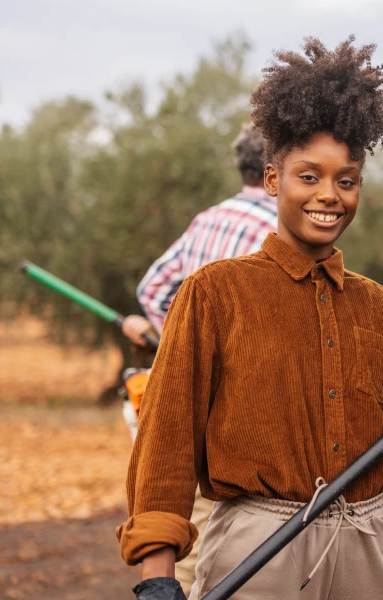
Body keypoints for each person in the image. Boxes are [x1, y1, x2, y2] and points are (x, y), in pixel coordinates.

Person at [118, 36, 383, 600]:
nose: (329, 196)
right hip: (257, 548)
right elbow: (165, 442)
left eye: (346, 181)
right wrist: (157, 575)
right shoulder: (213, 294)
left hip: (372, 544)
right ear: (272, 180)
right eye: (309, 176)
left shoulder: (378, 306)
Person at [118, 122, 278, 595]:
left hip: (183, 394)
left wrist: (181, 338)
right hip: (235, 409)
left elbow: (153, 288)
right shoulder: (282, 228)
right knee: (209, 529)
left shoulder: (209, 219)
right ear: (278, 167)